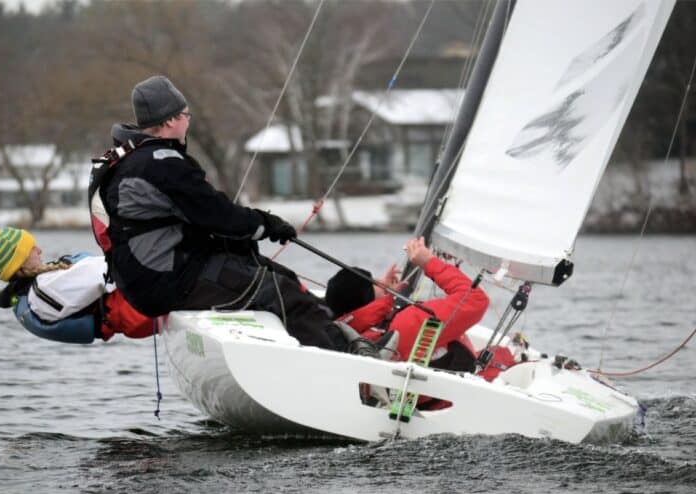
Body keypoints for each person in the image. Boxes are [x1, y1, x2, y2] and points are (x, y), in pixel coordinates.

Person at [93, 75, 354, 352]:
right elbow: (217, 214)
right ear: (170, 120)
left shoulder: (128, 158)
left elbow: (200, 216)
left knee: (282, 277)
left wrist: (250, 233)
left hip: (154, 278)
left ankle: (348, 338)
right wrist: (268, 225)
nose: (188, 121)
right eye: (185, 114)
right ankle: (349, 360)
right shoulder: (160, 163)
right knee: (278, 291)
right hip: (169, 281)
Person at [326, 237, 490, 372]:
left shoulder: (360, 334)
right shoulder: (407, 324)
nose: (383, 281)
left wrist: (386, 298)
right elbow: (475, 299)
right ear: (367, 296)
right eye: (374, 282)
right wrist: (429, 262)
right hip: (456, 402)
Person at [0, 225, 153, 344]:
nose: (39, 250)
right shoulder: (45, 287)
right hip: (138, 309)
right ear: (20, 261)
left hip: (135, 313)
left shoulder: (34, 292)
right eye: (32, 248)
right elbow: (105, 273)